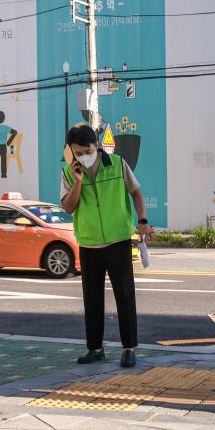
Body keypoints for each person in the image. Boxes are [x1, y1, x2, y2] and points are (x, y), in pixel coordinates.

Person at [61, 124, 150, 368]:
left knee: (125, 296)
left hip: (118, 240)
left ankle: (129, 348)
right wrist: (78, 182)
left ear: (97, 146)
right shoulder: (69, 174)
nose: (83, 156)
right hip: (89, 244)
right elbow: (68, 207)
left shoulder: (118, 163)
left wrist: (142, 221)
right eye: (78, 152)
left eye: (87, 150)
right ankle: (95, 348)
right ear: (72, 151)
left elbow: (137, 193)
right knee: (92, 299)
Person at [0, 111, 17, 179]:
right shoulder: (5, 127)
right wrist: (8, 142)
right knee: (3, 159)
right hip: (4, 147)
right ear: (4, 119)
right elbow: (15, 132)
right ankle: (4, 174)